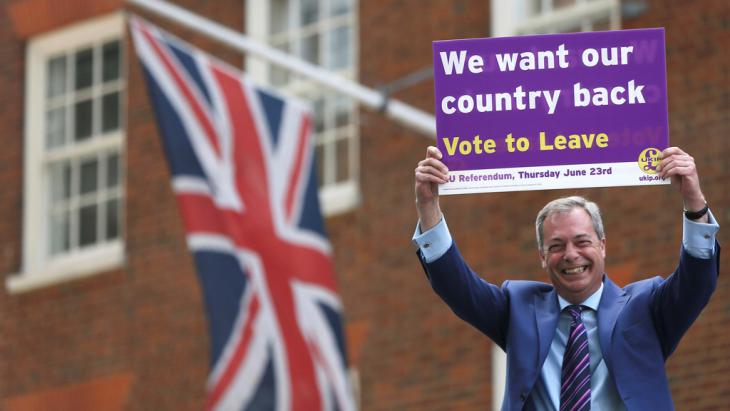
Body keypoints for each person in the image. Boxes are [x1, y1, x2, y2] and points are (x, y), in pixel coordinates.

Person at [412, 146, 720, 410]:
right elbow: (457, 287)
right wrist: (428, 206)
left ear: (602, 245)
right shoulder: (517, 307)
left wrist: (694, 201)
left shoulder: (646, 307)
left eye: (582, 241)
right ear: (543, 257)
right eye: (556, 246)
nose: (571, 254)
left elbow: (697, 281)